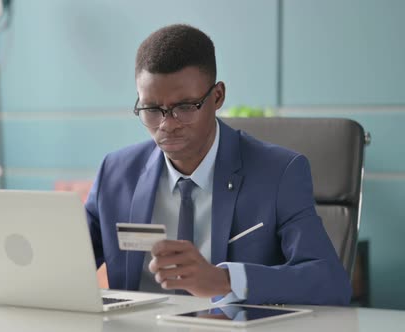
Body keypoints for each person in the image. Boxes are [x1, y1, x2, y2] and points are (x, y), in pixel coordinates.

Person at [85, 24, 351, 305]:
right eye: (152, 109)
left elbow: (330, 283)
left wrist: (225, 280)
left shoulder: (279, 173)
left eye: (185, 107)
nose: (167, 125)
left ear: (217, 97)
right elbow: (64, 263)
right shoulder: (115, 173)